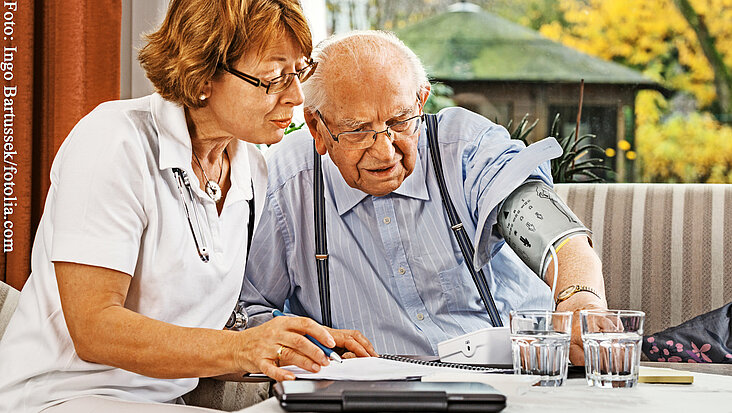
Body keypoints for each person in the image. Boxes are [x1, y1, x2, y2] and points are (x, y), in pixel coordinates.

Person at [0, 2, 376, 412]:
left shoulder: (252, 167)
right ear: (202, 76)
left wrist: (303, 354)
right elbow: (93, 330)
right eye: (273, 78)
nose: (296, 97)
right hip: (58, 397)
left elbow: (202, 339)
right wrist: (242, 347)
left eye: (300, 72)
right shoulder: (113, 141)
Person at [240, 30, 607, 364]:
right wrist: (316, 350)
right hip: (373, 395)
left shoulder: (465, 146)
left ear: (421, 100)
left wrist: (580, 298)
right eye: (357, 131)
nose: (385, 152)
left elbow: (548, 224)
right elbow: (248, 311)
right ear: (317, 127)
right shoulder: (288, 179)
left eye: (400, 121)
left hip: (511, 374)